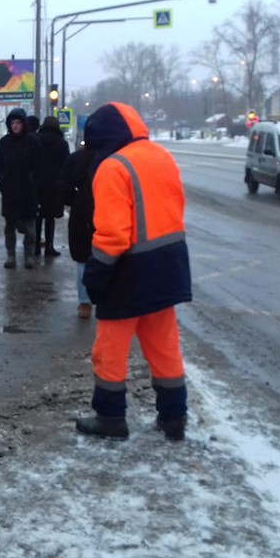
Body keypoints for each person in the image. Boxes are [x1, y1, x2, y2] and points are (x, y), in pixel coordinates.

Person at [75, 102, 192, 442]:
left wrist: (96, 275)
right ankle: (174, 417)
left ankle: (110, 417)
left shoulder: (114, 166)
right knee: (164, 346)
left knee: (109, 350)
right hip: (168, 267)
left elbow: (113, 235)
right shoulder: (161, 157)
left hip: (129, 272)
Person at [56, 133, 96, 320]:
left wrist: (77, 201)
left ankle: (84, 303)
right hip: (110, 213)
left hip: (82, 215)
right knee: (112, 258)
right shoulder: (113, 158)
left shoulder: (76, 158)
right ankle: (108, 300)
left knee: (83, 259)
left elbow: (63, 187)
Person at [0, 107, 40, 269]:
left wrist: (34, 183)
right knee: (9, 227)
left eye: (18, 123)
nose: (15, 126)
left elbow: (39, 166)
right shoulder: (5, 143)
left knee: (30, 228)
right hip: (10, 192)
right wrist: (3, 182)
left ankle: (29, 255)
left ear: (23, 124)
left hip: (28, 192)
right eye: (13, 123)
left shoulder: (33, 142)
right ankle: (11, 255)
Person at [34, 115, 70, 258]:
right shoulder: (62, 143)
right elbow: (66, 165)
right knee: (50, 217)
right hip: (54, 185)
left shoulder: (36, 141)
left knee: (37, 216)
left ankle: (36, 246)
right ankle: (49, 246)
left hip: (38, 184)